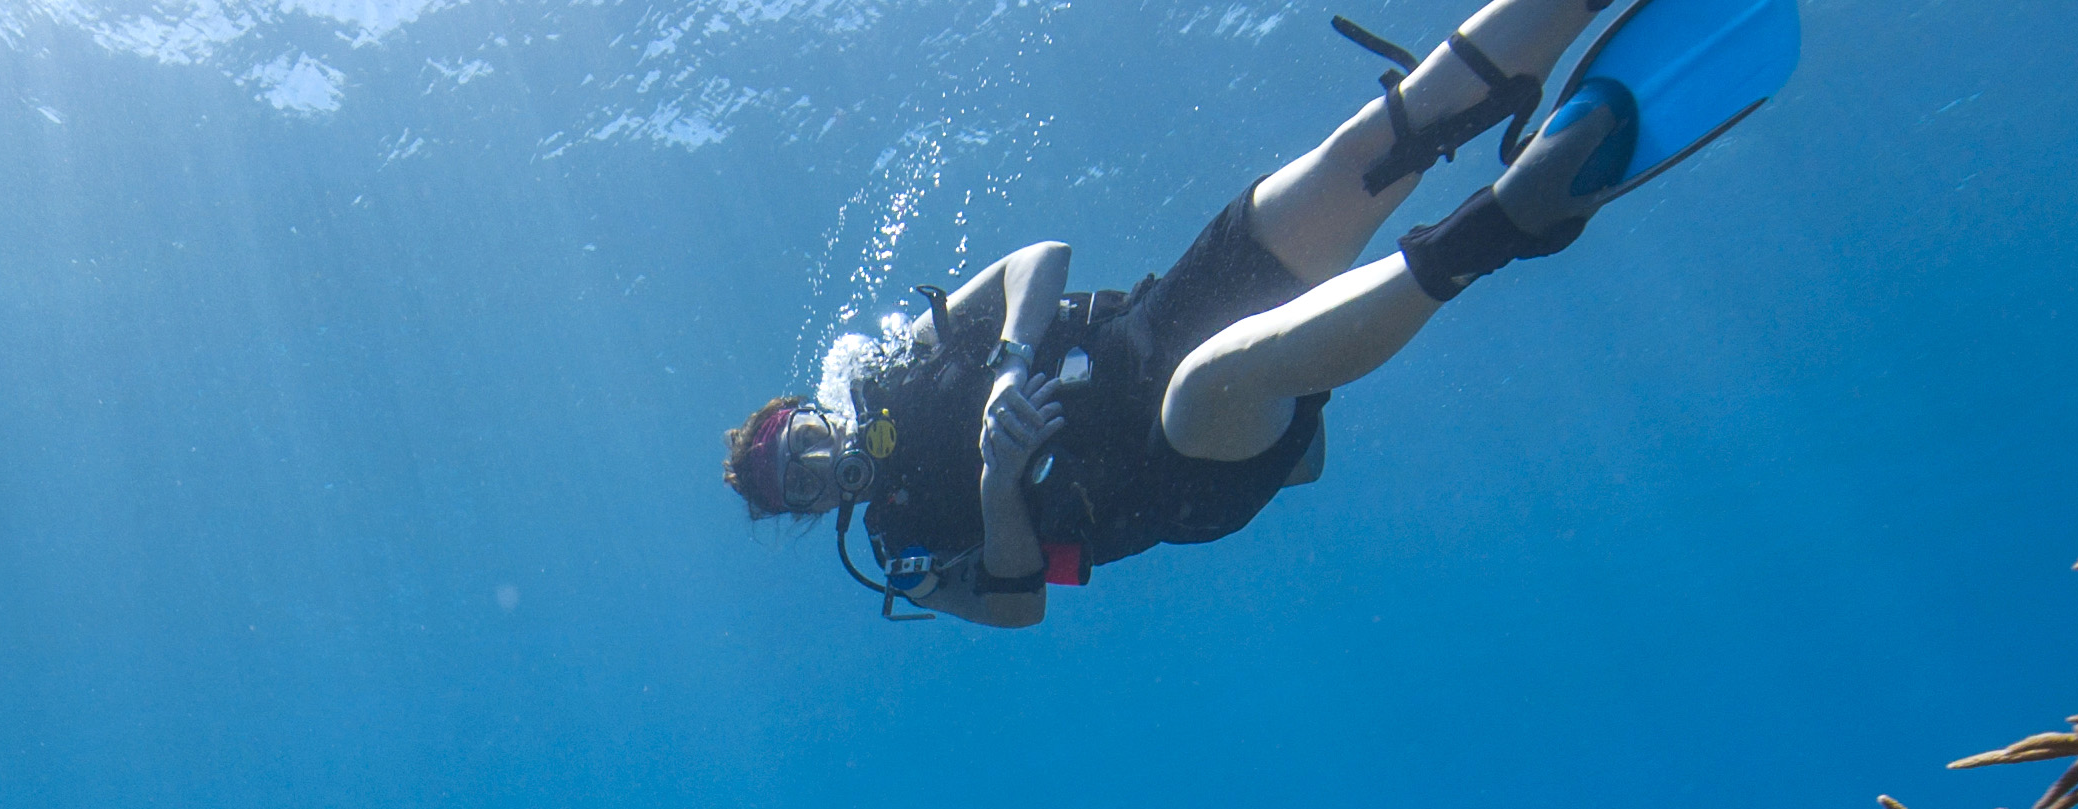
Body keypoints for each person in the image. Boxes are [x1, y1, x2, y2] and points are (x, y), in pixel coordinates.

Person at [721, 0, 1751, 627]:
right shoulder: (902, 549)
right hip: (1179, 478)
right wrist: (997, 483)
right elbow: (1021, 603)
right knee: (1222, 376)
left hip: (1160, 316)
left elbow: (1041, 258)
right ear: (816, 512)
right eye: (800, 488)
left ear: (809, 410)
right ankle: (1508, 222)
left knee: (1362, 153)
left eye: (799, 445)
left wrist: (1003, 366)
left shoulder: (906, 364)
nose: (817, 467)